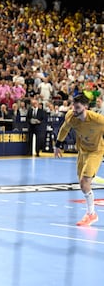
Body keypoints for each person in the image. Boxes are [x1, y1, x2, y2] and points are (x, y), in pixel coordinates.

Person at [54, 94, 104, 226]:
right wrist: (58, 145)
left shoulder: (98, 120)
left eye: (77, 107)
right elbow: (64, 129)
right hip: (82, 151)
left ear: (86, 107)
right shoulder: (71, 116)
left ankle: (91, 214)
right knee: (83, 184)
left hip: (95, 151)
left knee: (84, 183)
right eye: (73, 107)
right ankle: (92, 178)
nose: (74, 110)